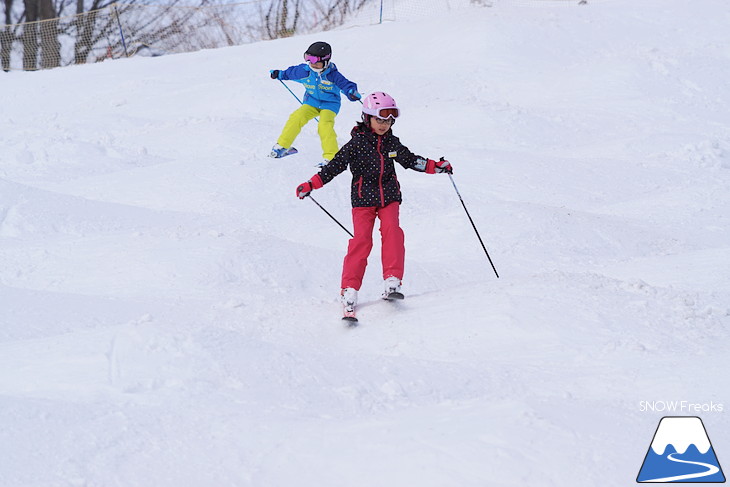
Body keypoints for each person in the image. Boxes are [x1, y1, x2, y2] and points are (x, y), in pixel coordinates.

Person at [294, 91, 453, 314]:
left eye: (388, 120)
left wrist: (436, 166)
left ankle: (392, 280)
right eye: (379, 119)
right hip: (362, 199)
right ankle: (349, 289)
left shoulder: (392, 143)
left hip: (389, 197)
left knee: (392, 231)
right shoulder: (356, 144)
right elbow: (334, 167)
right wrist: (311, 184)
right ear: (367, 117)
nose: (384, 125)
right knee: (361, 241)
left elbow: (411, 160)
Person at [269, 41, 361, 164]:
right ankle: (282, 147)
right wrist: (279, 74)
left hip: (330, 104)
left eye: (316, 62)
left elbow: (345, 84)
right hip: (311, 102)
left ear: (326, 61)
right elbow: (289, 73)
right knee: (296, 117)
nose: (312, 65)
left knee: (324, 125)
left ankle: (331, 157)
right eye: (309, 60)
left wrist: (351, 92)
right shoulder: (305, 71)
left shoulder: (333, 75)